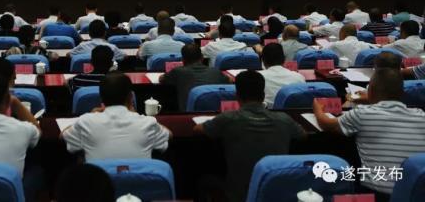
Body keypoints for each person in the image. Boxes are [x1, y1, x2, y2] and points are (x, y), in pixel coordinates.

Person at [195, 70, 305, 202]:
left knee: (204, 179)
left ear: (237, 96)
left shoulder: (228, 118)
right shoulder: (284, 119)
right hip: (274, 192)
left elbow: (197, 129)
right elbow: (303, 135)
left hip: (238, 195)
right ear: (263, 96)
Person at [314, 68, 425, 198]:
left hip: (377, 194)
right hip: (416, 193)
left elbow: (326, 124)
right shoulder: (421, 115)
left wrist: (318, 109)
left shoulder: (362, 113)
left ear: (370, 90)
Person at [62, 72, 171, 160]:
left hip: (99, 180)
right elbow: (169, 135)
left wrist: (90, 114)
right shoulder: (147, 123)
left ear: (101, 98)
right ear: (130, 97)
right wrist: (136, 114)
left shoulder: (86, 121)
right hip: (138, 181)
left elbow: (63, 136)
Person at [160, 44, 229, 111]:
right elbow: (229, 80)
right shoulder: (216, 71)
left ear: (183, 59)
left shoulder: (177, 71)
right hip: (215, 113)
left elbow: (161, 79)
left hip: (188, 114)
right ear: (202, 58)